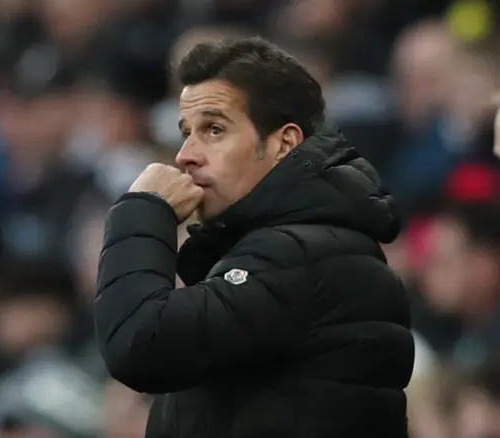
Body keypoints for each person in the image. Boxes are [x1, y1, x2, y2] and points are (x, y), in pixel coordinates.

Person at [95, 37, 414, 438]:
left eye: (214, 129)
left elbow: (139, 344)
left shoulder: (303, 255)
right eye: (185, 132)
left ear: (284, 143)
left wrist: (142, 210)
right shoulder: (294, 246)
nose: (185, 155)